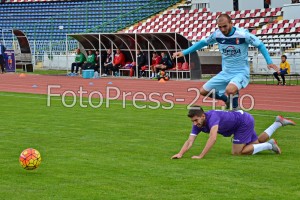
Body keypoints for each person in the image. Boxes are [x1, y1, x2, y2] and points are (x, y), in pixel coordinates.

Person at [173, 14, 279, 110]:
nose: (223, 29)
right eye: (220, 27)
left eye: (225, 26)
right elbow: (202, 43)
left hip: (240, 72)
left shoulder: (242, 35)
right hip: (225, 72)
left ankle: (236, 109)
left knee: (230, 89)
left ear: (231, 23)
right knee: (203, 91)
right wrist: (184, 52)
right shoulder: (217, 35)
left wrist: (269, 61)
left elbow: (260, 45)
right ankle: (226, 100)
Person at [171, 106, 296, 159]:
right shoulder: (198, 124)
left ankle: (270, 145)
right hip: (240, 122)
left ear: (203, 116)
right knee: (256, 144)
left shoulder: (212, 117)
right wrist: (180, 153)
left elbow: (213, 138)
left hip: (243, 122)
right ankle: (278, 123)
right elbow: (190, 140)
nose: (194, 123)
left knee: (237, 152)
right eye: (193, 121)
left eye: (196, 120)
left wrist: (201, 156)